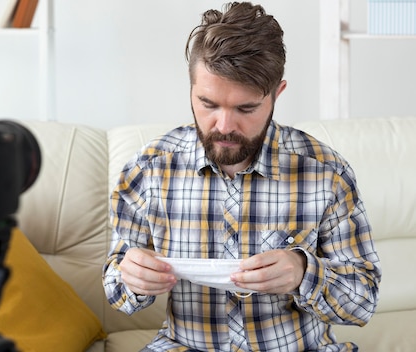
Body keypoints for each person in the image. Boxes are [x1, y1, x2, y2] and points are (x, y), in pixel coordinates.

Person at [102, 2, 381, 351]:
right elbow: (118, 293)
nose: (224, 126)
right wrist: (133, 277)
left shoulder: (325, 173)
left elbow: (363, 301)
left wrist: (303, 273)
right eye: (208, 104)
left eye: (245, 108)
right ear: (191, 89)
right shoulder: (147, 171)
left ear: (276, 93)